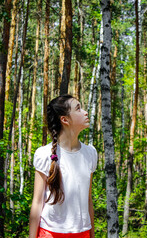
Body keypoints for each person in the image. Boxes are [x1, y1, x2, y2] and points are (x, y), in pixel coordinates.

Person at [29, 94, 97, 238]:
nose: (85, 112)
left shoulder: (90, 153)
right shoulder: (44, 154)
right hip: (49, 233)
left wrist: (92, 234)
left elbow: (88, 200)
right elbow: (37, 202)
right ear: (64, 119)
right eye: (78, 109)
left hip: (82, 233)